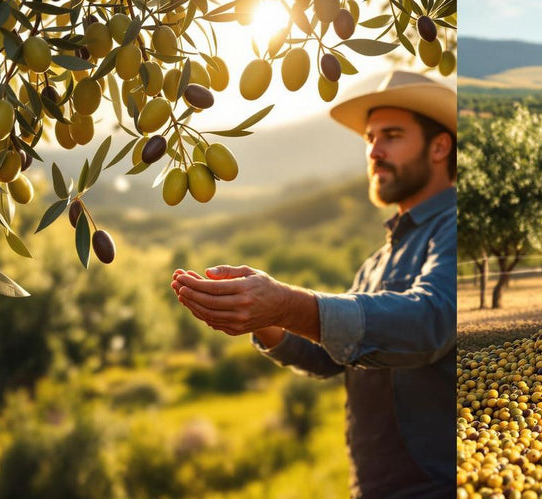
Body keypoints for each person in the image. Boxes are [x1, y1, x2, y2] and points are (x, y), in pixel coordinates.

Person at [170, 70, 456, 499]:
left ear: (439, 147)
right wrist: (263, 321)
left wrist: (285, 305)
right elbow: (334, 360)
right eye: (369, 139)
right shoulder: (377, 262)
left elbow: (430, 320)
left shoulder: (455, 226)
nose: (375, 151)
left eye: (392, 135)